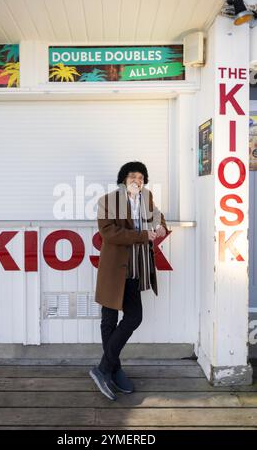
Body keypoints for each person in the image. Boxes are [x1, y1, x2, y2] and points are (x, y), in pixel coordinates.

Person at [89, 161, 169, 400]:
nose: (138, 181)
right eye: (133, 176)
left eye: (141, 177)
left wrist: (161, 227)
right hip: (114, 269)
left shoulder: (147, 198)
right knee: (109, 319)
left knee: (134, 316)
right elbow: (109, 233)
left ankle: (104, 368)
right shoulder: (108, 201)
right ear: (123, 179)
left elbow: (158, 219)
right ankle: (114, 369)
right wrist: (144, 234)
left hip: (137, 267)